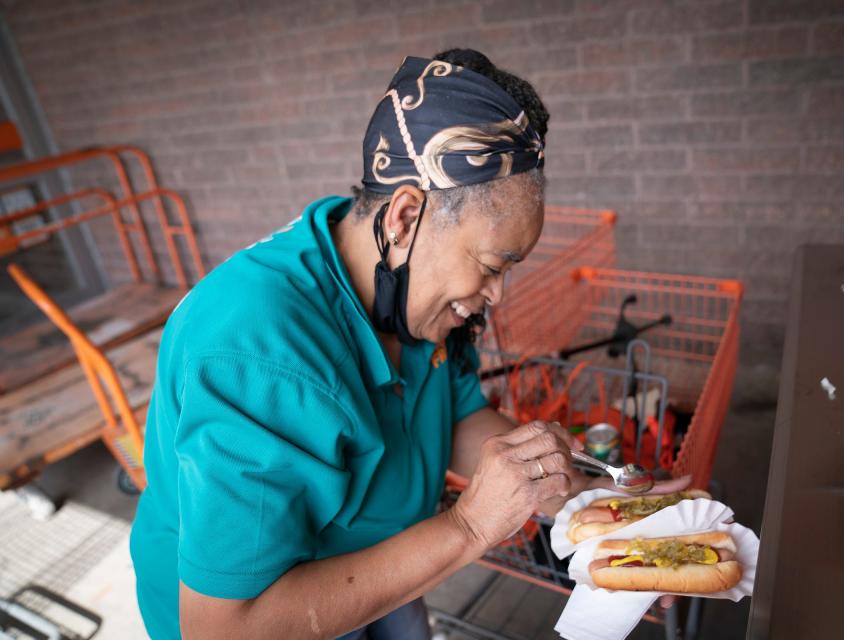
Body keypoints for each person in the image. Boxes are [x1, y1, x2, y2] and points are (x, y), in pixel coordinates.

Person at [130, 48, 685, 640]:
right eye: (494, 265)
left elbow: (455, 415)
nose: (496, 295)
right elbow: (226, 628)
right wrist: (471, 528)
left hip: (386, 565)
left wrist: (558, 484)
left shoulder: (405, 288)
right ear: (404, 217)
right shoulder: (254, 349)